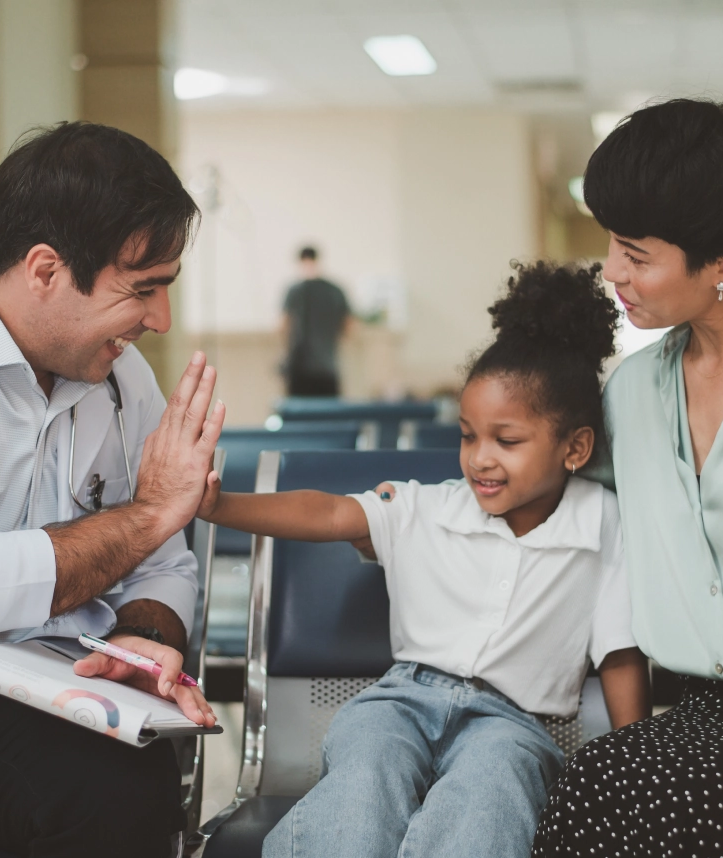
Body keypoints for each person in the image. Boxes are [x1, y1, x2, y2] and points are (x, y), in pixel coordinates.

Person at [198, 262, 651, 858]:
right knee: (365, 777)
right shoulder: (429, 507)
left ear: (575, 447)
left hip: (513, 722)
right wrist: (217, 505)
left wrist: (634, 765)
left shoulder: (604, 523)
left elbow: (619, 652)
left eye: (506, 440)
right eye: (467, 436)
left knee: (493, 791)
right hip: (402, 699)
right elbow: (331, 514)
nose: (480, 459)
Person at [0, 122, 226, 857]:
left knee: (124, 795)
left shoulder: (118, 377)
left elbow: (165, 562)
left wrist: (145, 636)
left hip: (29, 680)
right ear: (44, 269)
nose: (159, 320)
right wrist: (143, 518)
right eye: (143, 290)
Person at [532, 98, 723, 857]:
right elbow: (573, 514)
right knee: (605, 783)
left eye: (636, 252)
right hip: (702, 714)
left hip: (702, 751)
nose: (613, 273)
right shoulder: (630, 393)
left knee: (621, 787)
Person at [281, 246, 351, 396]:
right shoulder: (335, 291)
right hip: (327, 367)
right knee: (328, 415)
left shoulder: (295, 291)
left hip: (299, 368)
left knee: (299, 415)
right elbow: (348, 326)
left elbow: (284, 325)